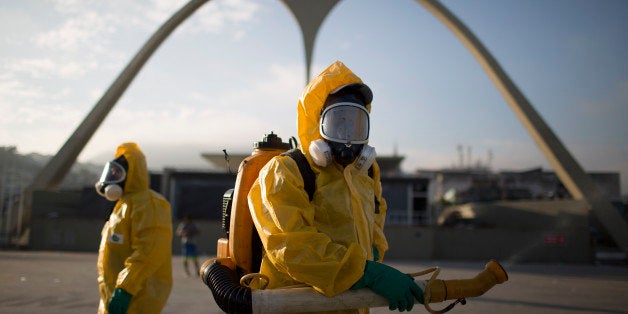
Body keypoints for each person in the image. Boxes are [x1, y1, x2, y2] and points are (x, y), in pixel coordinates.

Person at [248, 61, 423, 313]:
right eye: (338, 120)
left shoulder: (366, 174)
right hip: (296, 306)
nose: (347, 132)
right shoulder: (286, 171)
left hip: (352, 304)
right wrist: (367, 273)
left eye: (356, 122)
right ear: (315, 121)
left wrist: (370, 261)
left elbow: (375, 227)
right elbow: (291, 247)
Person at [95, 142, 173, 314]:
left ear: (131, 174)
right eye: (111, 172)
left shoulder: (148, 204)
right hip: (115, 296)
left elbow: (150, 251)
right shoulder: (123, 205)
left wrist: (126, 288)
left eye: (117, 173)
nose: (112, 176)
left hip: (137, 298)